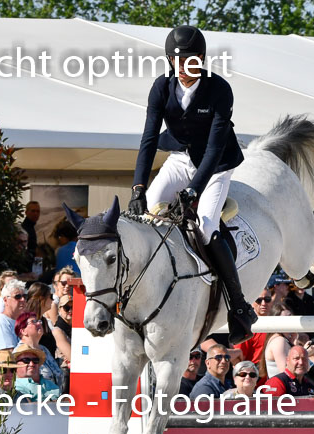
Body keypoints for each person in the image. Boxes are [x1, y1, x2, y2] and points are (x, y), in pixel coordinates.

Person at [126, 24, 255, 345]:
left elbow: (213, 149)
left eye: (192, 61)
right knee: (146, 214)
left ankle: (238, 303)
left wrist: (194, 191)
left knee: (207, 226)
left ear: (202, 59)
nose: (185, 69)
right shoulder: (161, 87)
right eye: (178, 61)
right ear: (171, 61)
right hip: (181, 159)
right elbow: (148, 139)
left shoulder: (219, 90)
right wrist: (138, 187)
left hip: (216, 165)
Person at [14, 311, 63, 387]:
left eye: (39, 321)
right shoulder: (20, 353)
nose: (39, 323)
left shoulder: (44, 349)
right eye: (33, 322)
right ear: (23, 331)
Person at [0, 280, 27, 351]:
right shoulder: (1, 322)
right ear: (5, 300)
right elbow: (8, 354)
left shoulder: (23, 321)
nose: (23, 299)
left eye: (24, 296)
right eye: (18, 296)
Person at [263, 303, 296, 378]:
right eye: (284, 319)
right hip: (282, 387)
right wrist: (306, 353)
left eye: (290, 316)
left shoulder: (283, 339)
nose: (289, 321)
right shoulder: (279, 341)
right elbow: (286, 372)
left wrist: (293, 342)